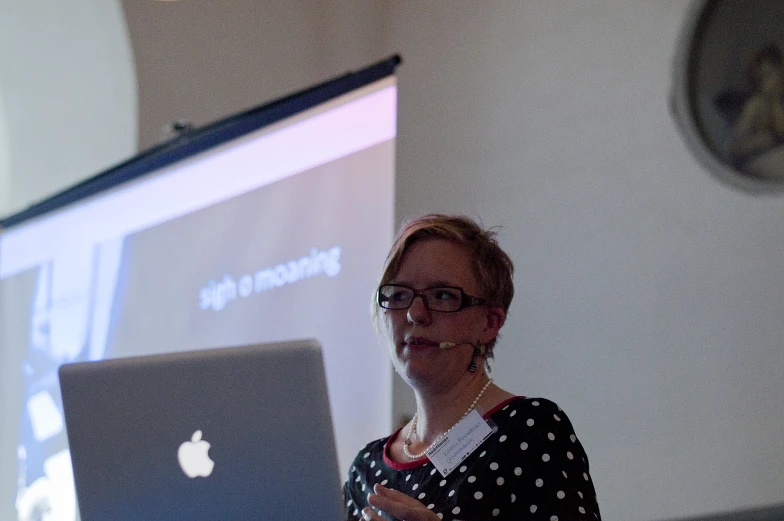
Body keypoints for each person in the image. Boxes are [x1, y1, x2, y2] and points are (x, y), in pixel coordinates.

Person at [343, 214, 601, 521]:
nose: (415, 313)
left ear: (489, 324)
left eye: (442, 296)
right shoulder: (366, 468)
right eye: (399, 295)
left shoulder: (531, 430)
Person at [729, 43, 784, 179]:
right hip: (763, 160)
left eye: (769, 74)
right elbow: (734, 148)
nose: (766, 83)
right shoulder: (755, 105)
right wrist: (757, 141)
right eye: (760, 79)